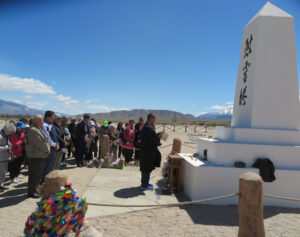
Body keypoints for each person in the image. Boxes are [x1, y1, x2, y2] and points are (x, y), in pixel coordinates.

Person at [26, 114, 50, 198]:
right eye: (41, 120)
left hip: (39, 155)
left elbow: (45, 140)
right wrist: (47, 149)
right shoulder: (33, 130)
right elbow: (40, 143)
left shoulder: (38, 128)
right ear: (36, 121)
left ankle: (35, 189)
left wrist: (47, 148)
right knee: (34, 175)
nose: (43, 122)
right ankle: (31, 192)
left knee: (38, 175)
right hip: (35, 156)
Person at [140, 113, 162, 190]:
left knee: (146, 168)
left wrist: (157, 134)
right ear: (151, 119)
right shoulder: (148, 127)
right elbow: (152, 140)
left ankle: (145, 183)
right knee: (146, 168)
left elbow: (151, 137)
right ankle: (144, 184)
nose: (155, 121)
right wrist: (158, 137)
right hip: (148, 152)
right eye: (154, 119)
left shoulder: (146, 126)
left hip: (145, 151)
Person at [41, 111, 59, 184]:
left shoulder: (51, 124)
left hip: (54, 147)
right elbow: (47, 137)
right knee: (47, 166)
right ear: (48, 117)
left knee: (50, 165)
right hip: (49, 148)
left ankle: (48, 180)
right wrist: (54, 144)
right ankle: (43, 181)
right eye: (53, 116)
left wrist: (57, 143)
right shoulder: (45, 125)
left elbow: (54, 136)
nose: (54, 118)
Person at [0, 123, 16, 191]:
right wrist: (6, 147)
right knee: (1, 173)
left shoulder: (6, 136)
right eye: (10, 132)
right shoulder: (0, 136)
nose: (11, 134)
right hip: (1, 158)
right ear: (6, 130)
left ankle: (1, 184)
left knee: (4, 173)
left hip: (6, 157)